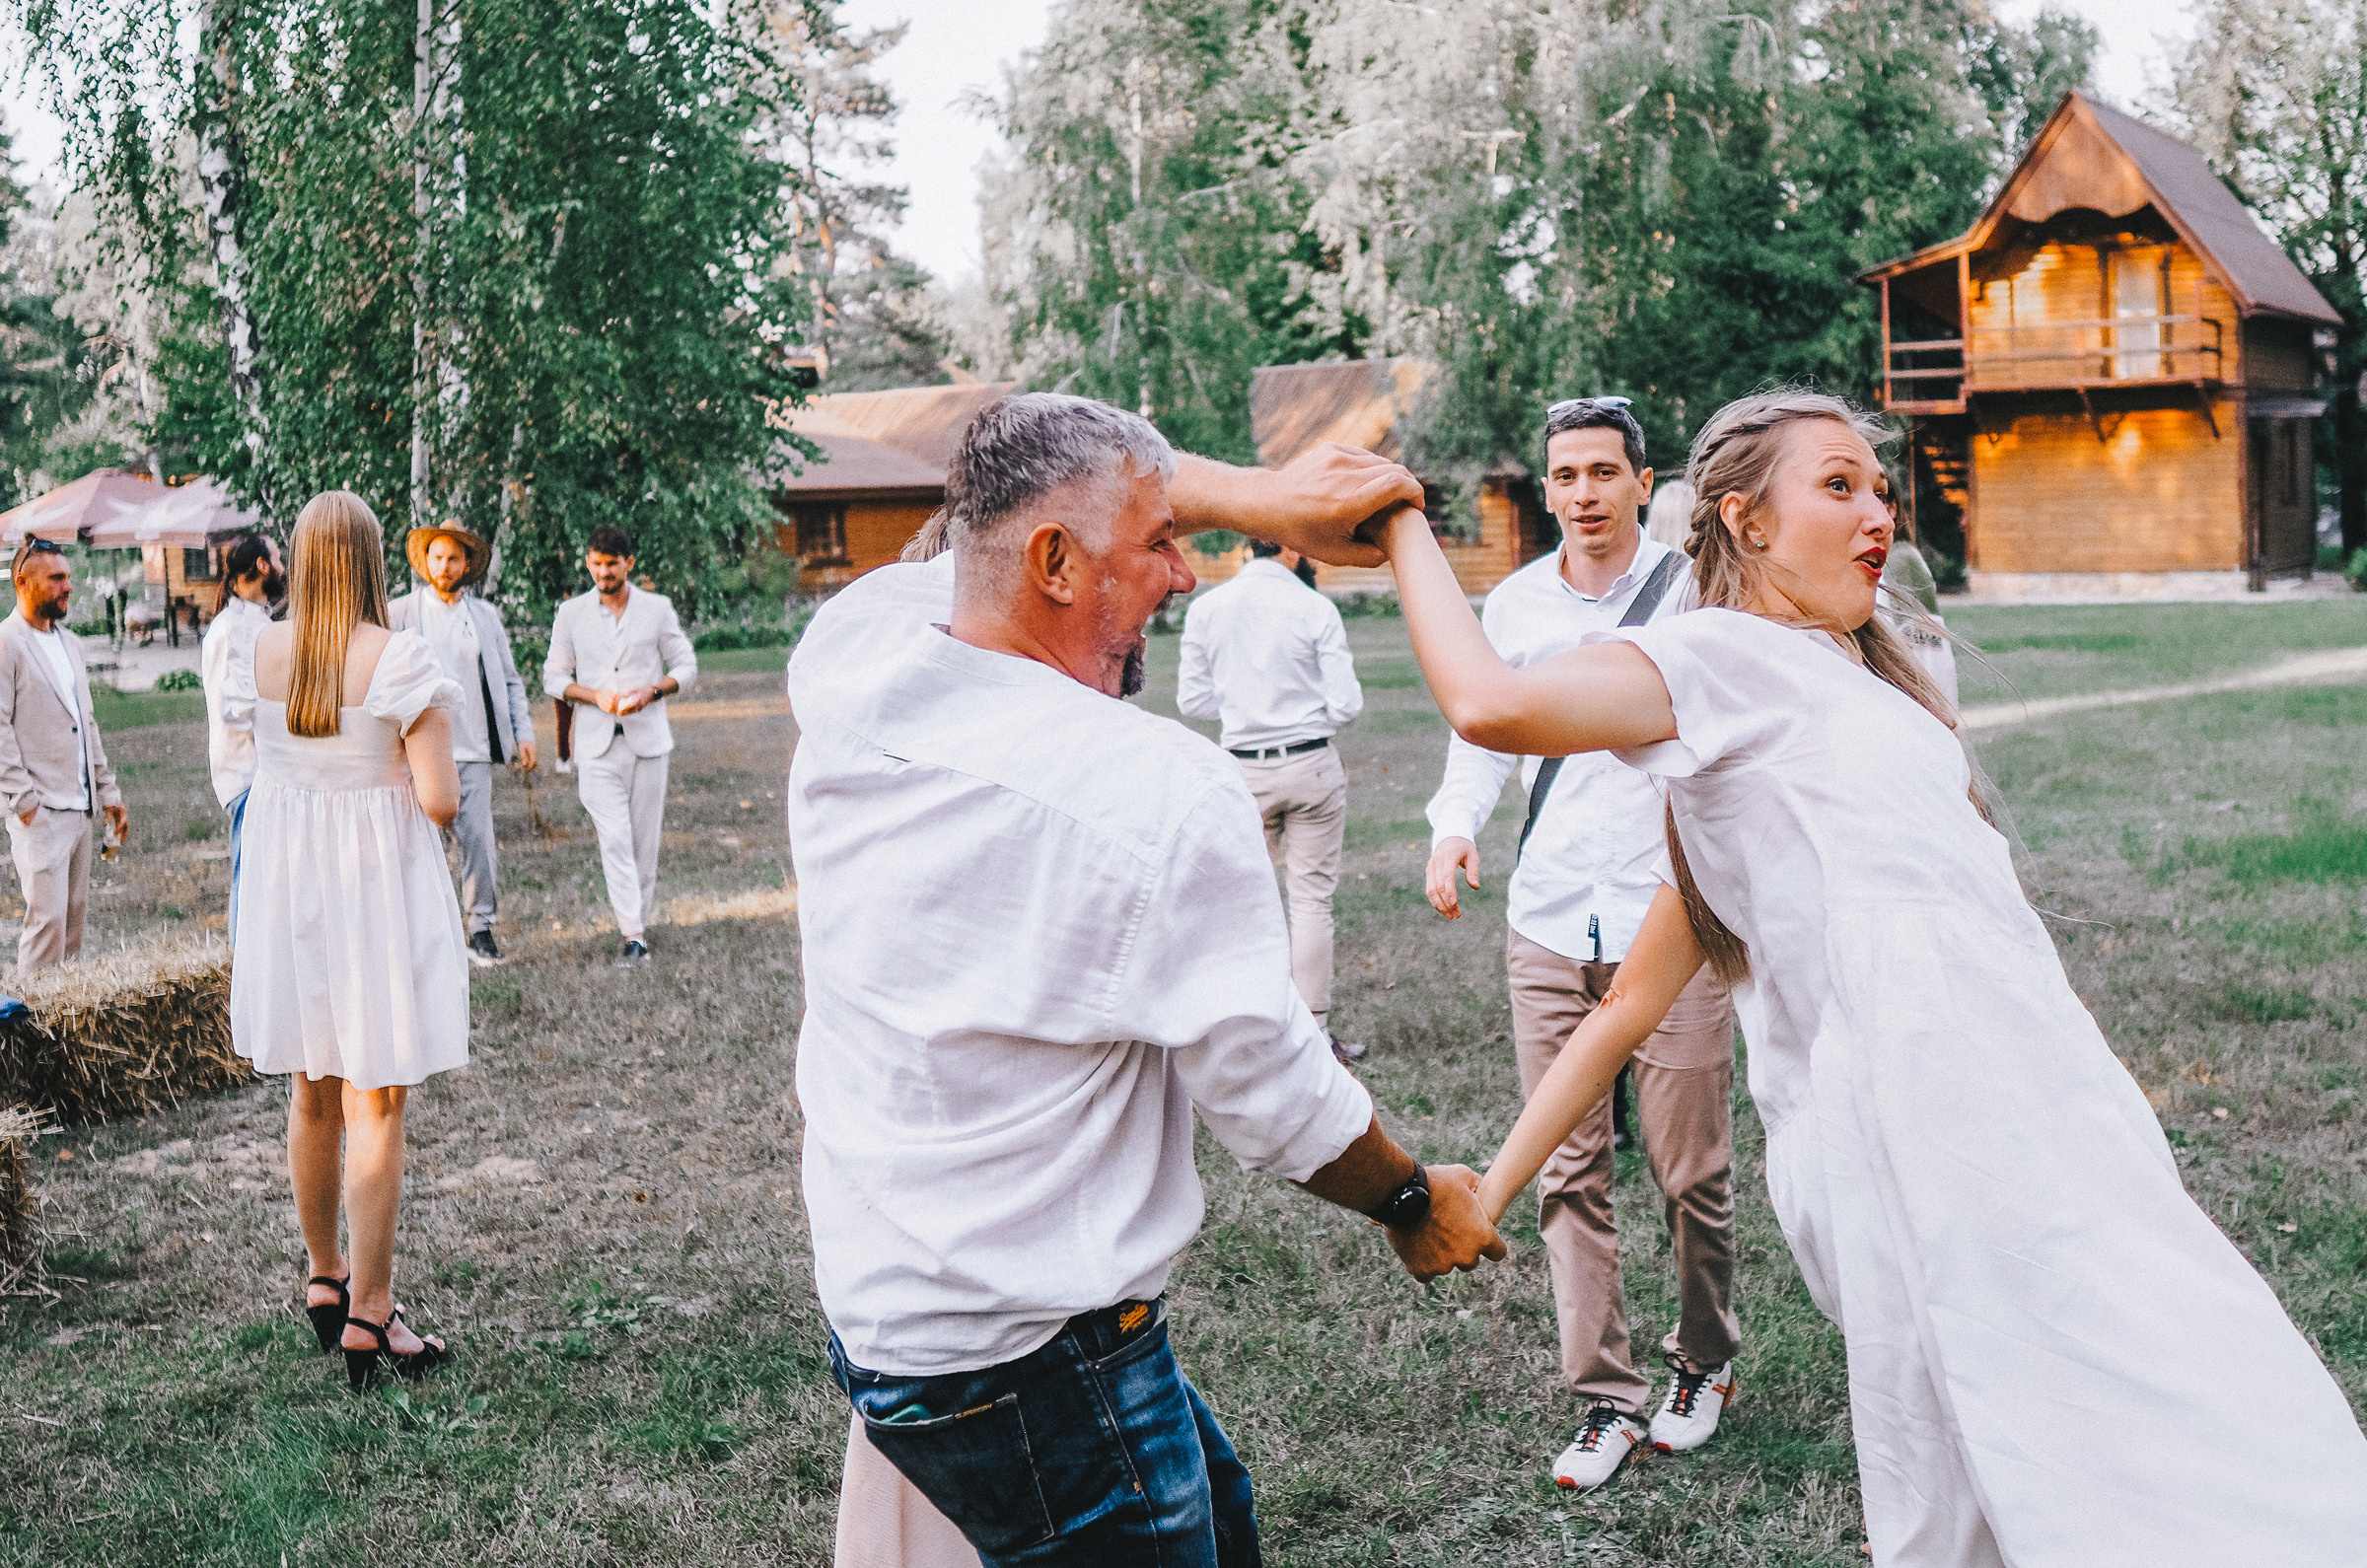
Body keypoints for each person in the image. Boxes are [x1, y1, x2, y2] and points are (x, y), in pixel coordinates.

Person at [1333, 388, 2367, 1565]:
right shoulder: (1714, 655)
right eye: (1837, 485)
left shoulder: (1860, 687)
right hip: (1915, 1120)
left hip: (2036, 1091)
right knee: (2082, 1414)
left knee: (2153, 1374)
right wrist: (1403, 520)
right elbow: (1494, 707)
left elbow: (1639, 996)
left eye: (1879, 488)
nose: (1876, 510)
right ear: (1746, 521)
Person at [790, 392, 1503, 1568]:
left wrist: (1250, 497)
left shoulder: (853, 660)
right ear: (1056, 562)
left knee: (1222, 1520)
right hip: (1033, 1355)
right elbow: (1278, 1099)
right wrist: (1414, 1204)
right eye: (1163, 539)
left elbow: (996, 478)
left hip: (893, 1313)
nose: (1184, 571)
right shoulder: (1155, 789)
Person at [1421, 397, 1740, 1492]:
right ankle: (1604, 1398)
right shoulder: (1509, 606)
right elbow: (1479, 737)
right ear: (1547, 489)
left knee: (1690, 1167)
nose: (1587, 492)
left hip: (1672, 918)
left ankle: (1705, 1362)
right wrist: (1453, 829)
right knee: (1570, 1172)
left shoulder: (1697, 598)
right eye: (1567, 475)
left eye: (1606, 471)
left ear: (1644, 484)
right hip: (1550, 922)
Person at [225, 489, 468, 1390]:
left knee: (312, 1088)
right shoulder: (400, 657)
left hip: (291, 890)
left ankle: (324, 1272)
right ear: (370, 561)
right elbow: (440, 799)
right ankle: (373, 1310)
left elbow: (261, 763)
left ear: (297, 557)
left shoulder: (258, 651)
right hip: (371, 890)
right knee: (378, 1102)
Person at [1178, 536, 1365, 1063]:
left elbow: (1191, 700)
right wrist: (1302, 720)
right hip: (1310, 763)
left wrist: (1246, 711)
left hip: (1242, 768)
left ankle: (1251, 1034)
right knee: (1310, 900)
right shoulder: (1314, 607)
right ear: (1286, 550)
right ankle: (1315, 1033)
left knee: (1245, 903)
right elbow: (1347, 705)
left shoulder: (1208, 609)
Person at [389, 523, 538, 966]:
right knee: (415, 841)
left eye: (454, 558)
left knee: (477, 840)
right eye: (436, 557)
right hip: (414, 747)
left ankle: (480, 929)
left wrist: (523, 732)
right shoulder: (401, 613)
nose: (444, 566)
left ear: (467, 564)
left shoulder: (484, 617)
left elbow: (509, 679)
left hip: (471, 746)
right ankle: (419, 933)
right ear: (425, 561)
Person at [543, 527, 695, 965]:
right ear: (587, 562)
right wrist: (595, 697)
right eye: (596, 562)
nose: (603, 571)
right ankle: (633, 933)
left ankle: (638, 929)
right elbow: (553, 677)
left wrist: (654, 690)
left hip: (648, 741)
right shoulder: (571, 613)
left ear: (629, 563)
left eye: (612, 563)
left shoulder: (656, 608)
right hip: (595, 744)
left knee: (643, 842)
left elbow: (686, 664)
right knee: (614, 837)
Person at [0, 538, 129, 972]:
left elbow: (85, 722)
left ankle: (65, 1029)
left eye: (68, 577)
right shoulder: (6, 644)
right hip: (40, 811)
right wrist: (25, 802)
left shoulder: (71, 643)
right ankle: (26, 1031)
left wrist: (108, 791)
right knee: (47, 924)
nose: (67, 586)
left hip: (81, 809)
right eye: (56, 578)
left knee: (73, 927)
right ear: (23, 581)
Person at [201, 532, 283, 940]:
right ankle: (241, 969)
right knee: (249, 879)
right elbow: (233, 710)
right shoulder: (234, 629)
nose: (283, 567)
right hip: (248, 775)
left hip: (258, 773)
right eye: (279, 558)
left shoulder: (254, 621)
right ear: (263, 566)